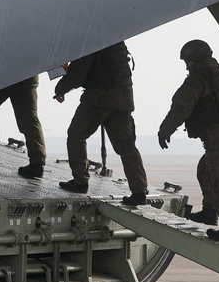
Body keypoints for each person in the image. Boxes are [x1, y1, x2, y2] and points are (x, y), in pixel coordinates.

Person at [158, 40, 219, 247]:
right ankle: (209, 212)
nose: (186, 66)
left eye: (188, 62)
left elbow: (181, 107)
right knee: (205, 168)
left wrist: (165, 130)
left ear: (195, 60)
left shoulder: (198, 79)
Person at [54, 41, 148, 205]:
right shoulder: (116, 37)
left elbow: (78, 73)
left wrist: (60, 90)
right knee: (126, 145)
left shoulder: (93, 37)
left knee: (76, 135)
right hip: (123, 96)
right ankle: (139, 191)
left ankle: (80, 181)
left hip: (100, 97)